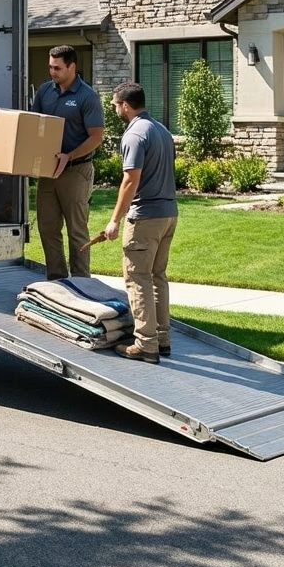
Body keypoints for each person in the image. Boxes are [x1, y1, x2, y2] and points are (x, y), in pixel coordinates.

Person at [103, 81, 178, 364]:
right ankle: (162, 339)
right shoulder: (162, 131)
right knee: (157, 276)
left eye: (115, 104)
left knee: (138, 278)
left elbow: (130, 180)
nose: (114, 109)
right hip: (169, 214)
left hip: (145, 217)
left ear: (125, 105)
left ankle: (146, 345)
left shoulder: (134, 134)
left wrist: (114, 220)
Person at [30, 45, 104, 280]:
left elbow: (96, 137)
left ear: (72, 66)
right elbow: (35, 125)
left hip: (76, 170)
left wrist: (69, 155)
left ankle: (81, 282)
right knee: (47, 227)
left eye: (57, 68)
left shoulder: (87, 96)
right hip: (48, 171)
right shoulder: (44, 91)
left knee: (76, 230)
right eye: (50, 67)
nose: (52, 72)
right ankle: (57, 280)